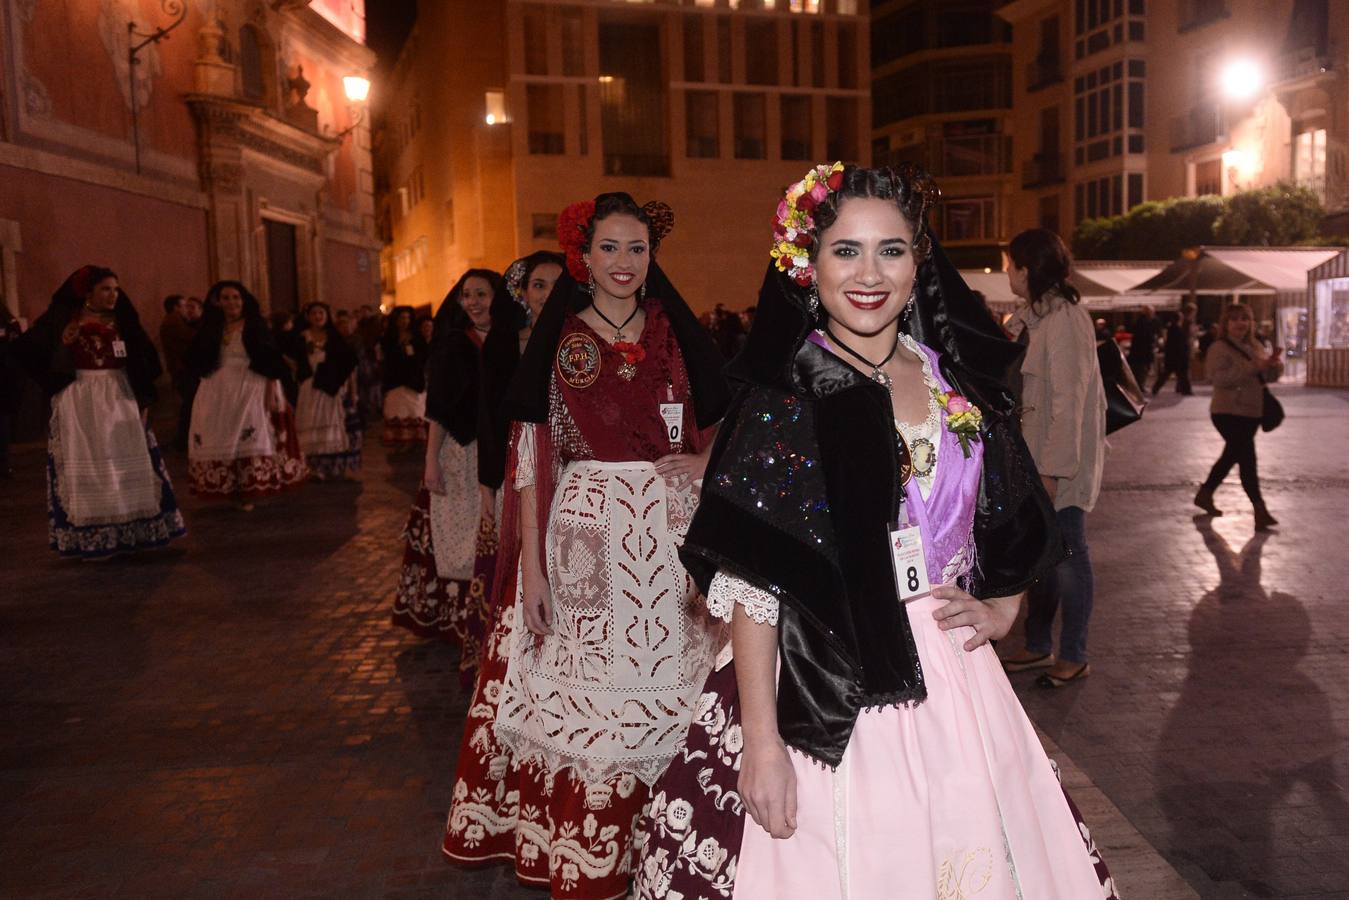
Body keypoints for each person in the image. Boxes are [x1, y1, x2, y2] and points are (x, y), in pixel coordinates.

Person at [630, 165, 1116, 899]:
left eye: (890, 250)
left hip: (955, 672)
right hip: (826, 673)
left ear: (917, 261)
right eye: (845, 251)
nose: (869, 274)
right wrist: (761, 745)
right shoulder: (787, 395)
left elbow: (1010, 507)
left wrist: (1005, 603)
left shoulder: (949, 376)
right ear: (808, 264)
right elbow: (757, 584)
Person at [442, 193, 730, 898]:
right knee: (597, 691)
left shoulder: (673, 330)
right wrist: (532, 571)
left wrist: (704, 466)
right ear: (584, 255)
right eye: (609, 248)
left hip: (670, 536)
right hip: (584, 534)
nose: (624, 263)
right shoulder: (559, 338)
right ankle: (594, 848)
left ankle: (672, 845)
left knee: (676, 689)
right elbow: (534, 458)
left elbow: (725, 416)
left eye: (636, 249)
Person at [998, 229, 1107, 689]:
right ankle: (1038, 643)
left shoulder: (1065, 319)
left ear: (1026, 269)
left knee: (1068, 556)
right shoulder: (1035, 316)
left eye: (1009, 264)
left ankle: (1075, 653)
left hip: (1057, 464)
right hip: (1033, 459)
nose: (1006, 272)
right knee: (1041, 556)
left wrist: (1051, 472)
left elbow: (1068, 402)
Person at [391, 268, 514, 674]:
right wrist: (430, 462)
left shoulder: (513, 339)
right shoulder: (451, 346)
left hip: (500, 448)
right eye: (467, 295)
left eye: (482, 293)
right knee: (460, 537)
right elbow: (438, 411)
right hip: (461, 453)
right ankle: (462, 622)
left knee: (495, 529)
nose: (474, 301)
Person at [16, 266, 185, 558]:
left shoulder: (123, 320)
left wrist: (143, 398)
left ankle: (129, 531)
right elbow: (28, 349)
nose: (113, 295)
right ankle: (94, 537)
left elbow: (144, 360)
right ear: (88, 293)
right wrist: (57, 374)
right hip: (81, 395)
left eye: (116, 289)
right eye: (106, 289)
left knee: (120, 459)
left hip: (118, 392)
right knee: (91, 462)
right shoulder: (64, 319)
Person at [186, 281, 306, 508]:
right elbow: (197, 357)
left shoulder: (254, 326)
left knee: (246, 432)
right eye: (226, 298)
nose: (232, 302)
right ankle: (227, 486)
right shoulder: (212, 327)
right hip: (217, 386)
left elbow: (269, 357)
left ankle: (248, 487)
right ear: (217, 302)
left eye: (236, 297)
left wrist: (272, 387)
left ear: (244, 300)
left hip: (250, 384)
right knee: (219, 432)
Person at [1194, 302, 1283, 530]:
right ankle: (1259, 510)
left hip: (1251, 411)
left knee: (1233, 456)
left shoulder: (1256, 345)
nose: (1240, 323)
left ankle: (1205, 494)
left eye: (1244, 318)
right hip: (1227, 411)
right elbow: (1218, 378)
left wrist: (1273, 366)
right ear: (1226, 324)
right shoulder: (1218, 348)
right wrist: (1253, 367)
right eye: (1234, 319)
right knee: (1246, 459)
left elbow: (1267, 377)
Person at [286, 302, 361, 481]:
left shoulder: (334, 337)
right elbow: (290, 357)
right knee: (309, 423)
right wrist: (299, 372)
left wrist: (348, 387)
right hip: (308, 385)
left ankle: (328, 467)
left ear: (327, 316)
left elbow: (349, 362)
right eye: (314, 313)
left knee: (328, 424)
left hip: (328, 386)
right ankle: (310, 466)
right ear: (308, 317)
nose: (318, 316)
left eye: (321, 313)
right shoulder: (301, 337)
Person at [380, 305, 428, 447]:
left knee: (413, 411)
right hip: (395, 380)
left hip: (413, 380)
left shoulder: (417, 337)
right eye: (402, 318)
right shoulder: (389, 337)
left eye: (407, 318)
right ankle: (398, 441)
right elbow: (386, 357)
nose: (405, 321)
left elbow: (423, 356)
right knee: (396, 410)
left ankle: (414, 441)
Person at [160, 294, 202, 452]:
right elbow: (192, 339)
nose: (187, 310)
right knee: (189, 406)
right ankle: (182, 442)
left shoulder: (178, 321)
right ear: (176, 308)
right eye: (185, 306)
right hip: (183, 371)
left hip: (183, 371)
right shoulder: (173, 321)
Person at [1153, 303, 1196, 395]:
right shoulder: (1176, 329)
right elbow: (1179, 343)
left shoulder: (1173, 328)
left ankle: (1184, 390)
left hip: (1173, 356)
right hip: (1177, 356)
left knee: (1171, 373)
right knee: (1180, 373)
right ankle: (1186, 390)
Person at [0, 305, 22, 478]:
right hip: (6, 376)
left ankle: (4, 462)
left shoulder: (8, 321)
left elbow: (15, 336)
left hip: (4, 377)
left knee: (3, 420)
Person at [1127, 304, 1158, 387]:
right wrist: (1153, 339)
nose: (1153, 315)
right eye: (1152, 313)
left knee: (1139, 370)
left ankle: (1140, 386)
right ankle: (1140, 387)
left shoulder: (1140, 321)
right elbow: (1146, 338)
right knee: (1141, 370)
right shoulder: (1145, 323)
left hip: (1139, 352)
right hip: (1142, 352)